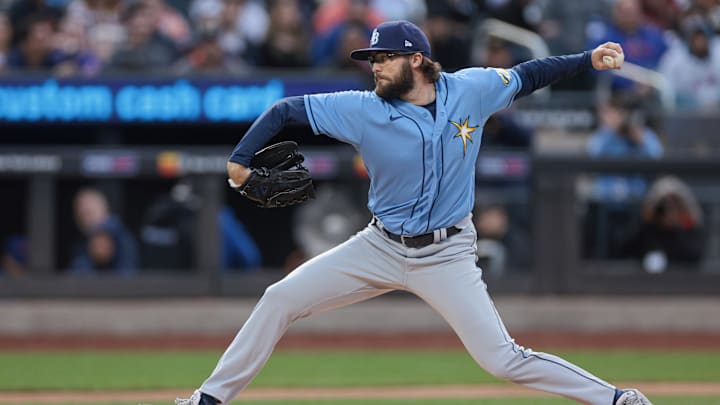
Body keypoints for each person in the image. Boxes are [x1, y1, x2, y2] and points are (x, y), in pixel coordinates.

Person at [176, 20, 652, 405]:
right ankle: (209, 399)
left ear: (417, 60)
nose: (376, 67)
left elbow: (531, 74)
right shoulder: (362, 108)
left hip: (447, 255)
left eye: (384, 58)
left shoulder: (472, 89)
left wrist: (586, 59)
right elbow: (283, 111)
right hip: (378, 246)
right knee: (279, 298)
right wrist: (239, 162)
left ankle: (616, 399)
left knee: (501, 359)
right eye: (372, 59)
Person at [621, 175, 705, 273]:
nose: (669, 211)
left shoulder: (689, 225)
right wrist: (648, 221)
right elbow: (626, 249)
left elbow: (695, 255)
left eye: (675, 205)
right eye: (664, 206)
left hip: (682, 280)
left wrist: (676, 227)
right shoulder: (648, 227)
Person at [68, 187, 138, 275]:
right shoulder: (83, 241)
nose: (85, 220)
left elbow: (127, 277)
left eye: (89, 213)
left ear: (104, 210)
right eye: (80, 215)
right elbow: (77, 277)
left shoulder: (122, 238)